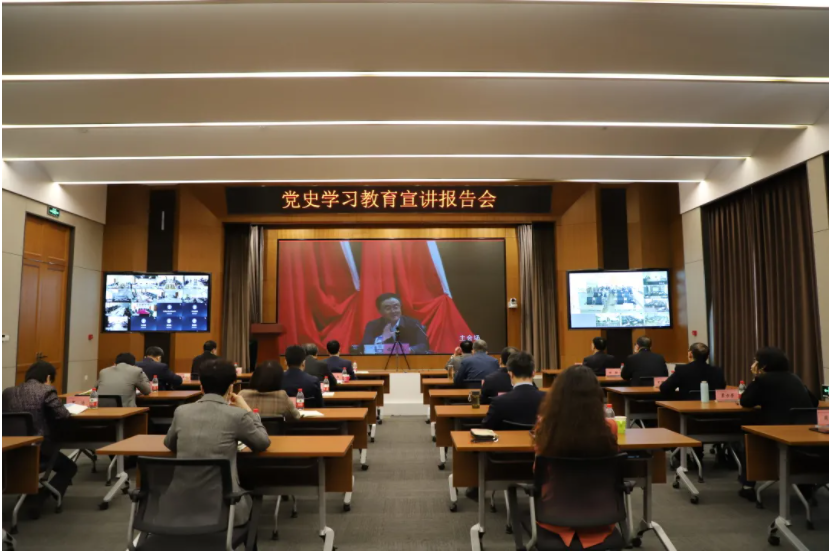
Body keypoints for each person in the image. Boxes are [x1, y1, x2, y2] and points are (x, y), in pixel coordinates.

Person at [164, 359, 270, 526]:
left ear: (201, 386)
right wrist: (248, 410)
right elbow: (262, 443)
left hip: (180, 505)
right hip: (224, 507)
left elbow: (169, 443)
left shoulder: (181, 412)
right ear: (231, 388)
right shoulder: (237, 415)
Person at [534, 365, 620, 549]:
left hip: (555, 513)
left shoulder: (545, 428)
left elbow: (538, 471)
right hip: (600, 513)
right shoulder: (610, 427)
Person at [737, 347, 819, 501]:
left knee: (746, 440)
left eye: (756, 361)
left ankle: (747, 485)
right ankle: (806, 485)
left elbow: (746, 401)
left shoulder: (763, 380)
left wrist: (756, 377)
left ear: (762, 365)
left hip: (778, 432)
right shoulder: (795, 378)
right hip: (806, 434)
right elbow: (814, 402)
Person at [2, 361, 78, 519]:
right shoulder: (46, 390)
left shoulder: (7, 392)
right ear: (48, 377)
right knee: (69, 467)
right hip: (39, 448)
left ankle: (31, 494)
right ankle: (41, 497)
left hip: (9, 450)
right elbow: (62, 415)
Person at [483, 351, 544, 429]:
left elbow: (486, 427)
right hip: (539, 437)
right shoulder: (548, 399)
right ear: (533, 373)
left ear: (510, 374)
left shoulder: (498, 401)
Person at [360, 293, 430, 354]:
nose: (393, 311)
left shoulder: (413, 324)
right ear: (380, 311)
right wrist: (382, 338)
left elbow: (424, 346)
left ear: (400, 308)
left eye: (396, 307)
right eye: (388, 308)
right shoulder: (373, 325)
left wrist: (406, 350)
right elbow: (363, 348)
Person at [660, 343, 726, 399]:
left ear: (690, 354)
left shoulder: (682, 370)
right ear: (707, 356)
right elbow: (722, 388)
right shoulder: (717, 371)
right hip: (713, 408)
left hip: (687, 408)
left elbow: (664, 388)